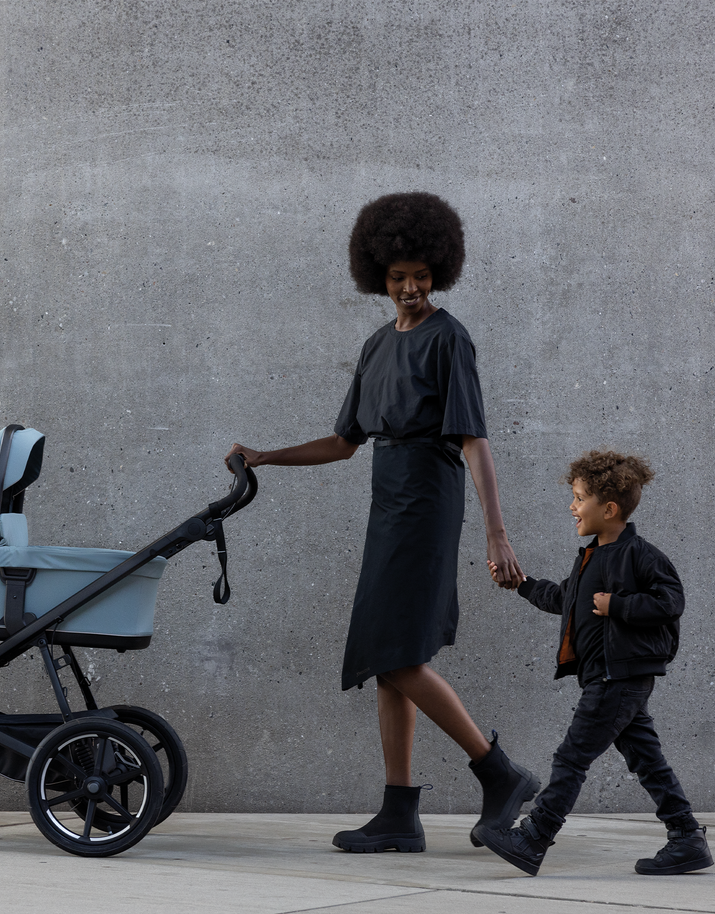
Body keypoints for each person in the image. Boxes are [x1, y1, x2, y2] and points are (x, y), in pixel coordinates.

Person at [226, 192, 539, 853]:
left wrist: (496, 531)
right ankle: (398, 811)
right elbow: (343, 442)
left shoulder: (449, 338)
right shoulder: (374, 346)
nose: (409, 288)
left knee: (394, 652)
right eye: (397, 277)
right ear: (378, 277)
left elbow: (473, 440)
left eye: (420, 274)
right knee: (387, 657)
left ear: (439, 271)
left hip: (428, 502)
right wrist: (264, 455)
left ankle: (499, 772)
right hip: (385, 504)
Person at [477, 450, 713, 876]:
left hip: (619, 675)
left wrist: (618, 605)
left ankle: (533, 839)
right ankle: (687, 836)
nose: (572, 505)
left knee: (571, 757)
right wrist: (520, 583)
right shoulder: (589, 559)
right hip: (607, 677)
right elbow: (561, 599)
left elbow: (671, 601)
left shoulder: (641, 554)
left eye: (579, 497)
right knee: (647, 759)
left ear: (609, 508)